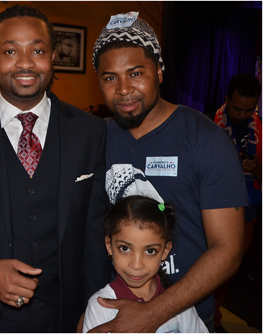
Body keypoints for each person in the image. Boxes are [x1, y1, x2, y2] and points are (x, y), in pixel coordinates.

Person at [0, 5, 110, 333]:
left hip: (66, 315)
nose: (25, 63)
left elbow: (95, 234)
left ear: (52, 57)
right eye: (11, 51)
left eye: (37, 50)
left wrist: (94, 306)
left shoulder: (91, 132)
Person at [84, 11, 247, 332]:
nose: (123, 89)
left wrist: (153, 312)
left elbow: (228, 248)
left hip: (186, 320)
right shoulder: (96, 138)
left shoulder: (205, 140)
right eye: (110, 77)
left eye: (136, 73)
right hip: (112, 314)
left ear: (159, 70)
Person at [83, 195, 208, 333]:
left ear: (165, 251)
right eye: (125, 248)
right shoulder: (101, 307)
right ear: (109, 246)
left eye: (150, 251)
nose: (136, 265)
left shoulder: (180, 304)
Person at [210, 73, 262, 332]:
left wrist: (257, 169)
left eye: (249, 110)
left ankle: (215, 317)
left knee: (229, 270)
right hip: (212, 208)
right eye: (237, 108)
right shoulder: (207, 124)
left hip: (249, 210)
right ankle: (211, 320)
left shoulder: (261, 129)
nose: (242, 115)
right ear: (227, 100)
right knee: (212, 269)